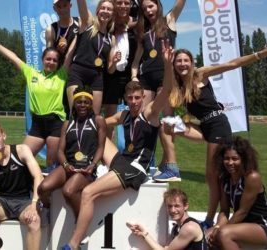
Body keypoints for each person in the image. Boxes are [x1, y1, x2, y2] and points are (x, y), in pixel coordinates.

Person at [61, 39, 174, 250]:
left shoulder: (149, 113)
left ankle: (74, 243)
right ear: (126, 99)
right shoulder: (124, 114)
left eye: (137, 98)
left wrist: (167, 65)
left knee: (87, 194)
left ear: (143, 98)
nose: (133, 101)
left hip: (136, 169)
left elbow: (166, 90)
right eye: (130, 98)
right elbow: (99, 123)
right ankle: (88, 168)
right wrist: (76, 119)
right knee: (98, 128)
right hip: (122, 161)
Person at [164, 37, 267, 229]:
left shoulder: (200, 75)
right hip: (205, 126)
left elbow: (232, 64)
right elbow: (169, 110)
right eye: (178, 61)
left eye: (185, 60)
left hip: (218, 124)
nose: (182, 64)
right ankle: (169, 166)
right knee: (168, 124)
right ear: (173, 64)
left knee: (212, 177)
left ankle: (211, 219)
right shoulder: (177, 87)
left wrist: (262, 53)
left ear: (192, 62)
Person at [0, 26, 74, 170]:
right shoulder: (31, 73)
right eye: (48, 59)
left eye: (54, 60)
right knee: (21, 158)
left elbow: (69, 54)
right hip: (37, 124)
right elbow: (13, 57)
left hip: (56, 124)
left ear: (58, 63)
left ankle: (50, 188)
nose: (51, 62)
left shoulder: (61, 75)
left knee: (52, 163)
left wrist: (79, 35)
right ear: (42, 60)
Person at [131, 0, 186, 182]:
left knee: (168, 122)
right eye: (145, 8)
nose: (148, 10)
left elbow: (180, 3)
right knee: (144, 118)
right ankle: (143, 161)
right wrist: (134, 76)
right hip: (146, 79)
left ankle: (171, 166)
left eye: (151, 6)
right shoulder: (143, 31)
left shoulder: (169, 20)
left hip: (166, 78)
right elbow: (137, 60)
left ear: (158, 5)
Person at [0, 122, 44, 250]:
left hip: (24, 201)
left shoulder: (21, 150)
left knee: (34, 221)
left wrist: (34, 204)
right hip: (3, 204)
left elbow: (38, 176)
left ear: (4, 136)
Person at [38, 87, 106, 221]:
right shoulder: (67, 123)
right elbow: (60, 151)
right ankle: (47, 208)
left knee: (68, 191)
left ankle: (80, 222)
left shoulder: (98, 120)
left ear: (91, 104)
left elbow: (101, 147)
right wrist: (65, 164)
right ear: (74, 103)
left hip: (86, 169)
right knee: (43, 188)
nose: (82, 105)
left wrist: (93, 164)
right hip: (68, 166)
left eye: (86, 102)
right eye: (79, 102)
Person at [207, 137, 267, 249]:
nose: (230, 162)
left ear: (244, 159)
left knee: (224, 234)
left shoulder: (252, 177)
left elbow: (242, 212)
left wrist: (220, 231)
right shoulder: (224, 179)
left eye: (235, 158)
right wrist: (217, 226)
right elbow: (224, 211)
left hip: (264, 228)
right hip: (240, 226)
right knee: (205, 236)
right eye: (226, 158)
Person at [66, 0, 117, 115]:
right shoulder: (87, 24)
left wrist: (114, 62)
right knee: (74, 113)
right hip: (78, 72)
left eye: (109, 9)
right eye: (103, 8)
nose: (105, 11)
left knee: (94, 117)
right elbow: (81, 4)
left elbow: (110, 69)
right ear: (98, 10)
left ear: (113, 14)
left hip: (97, 76)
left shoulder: (111, 39)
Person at [127, 188, 207, 250]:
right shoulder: (176, 228)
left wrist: (145, 234)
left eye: (176, 206)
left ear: (185, 206)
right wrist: (143, 233)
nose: (173, 210)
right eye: (169, 206)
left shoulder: (189, 228)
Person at [102, 0, 138, 139]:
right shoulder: (109, 23)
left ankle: (133, 152)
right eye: (119, 2)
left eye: (126, 3)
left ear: (130, 5)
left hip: (131, 74)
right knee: (109, 117)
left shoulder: (137, 23)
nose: (123, 6)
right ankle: (107, 156)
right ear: (114, 5)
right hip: (111, 74)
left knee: (135, 112)